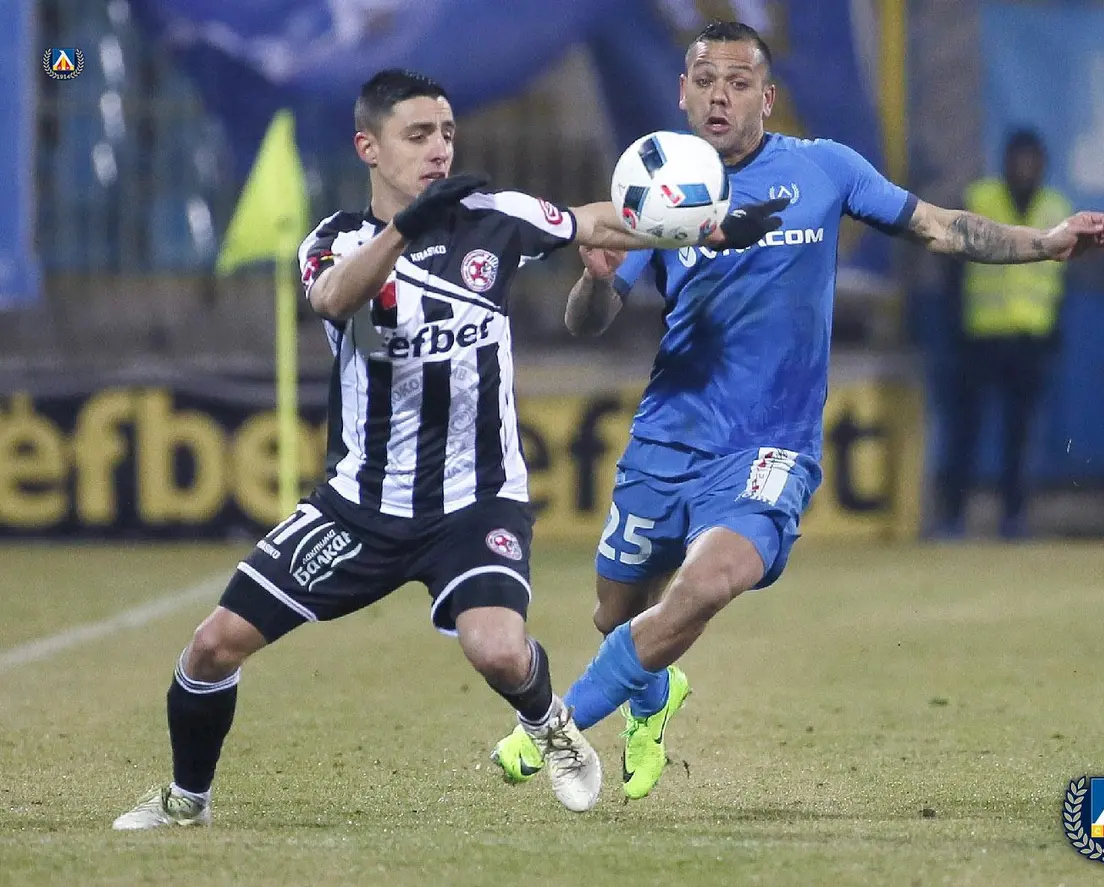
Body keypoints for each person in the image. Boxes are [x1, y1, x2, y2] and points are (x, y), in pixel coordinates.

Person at [112, 68, 784, 827]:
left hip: (475, 498)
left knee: (497, 651)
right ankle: (186, 802)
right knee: (212, 646)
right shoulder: (336, 241)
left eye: (447, 133)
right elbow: (333, 298)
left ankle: (550, 726)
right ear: (369, 147)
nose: (439, 149)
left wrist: (711, 229)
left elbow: (593, 222)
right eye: (418, 135)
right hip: (359, 504)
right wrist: (406, 229)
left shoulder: (493, 219)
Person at [491, 21, 1104, 801]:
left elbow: (939, 226)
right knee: (616, 611)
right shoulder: (660, 188)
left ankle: (553, 726)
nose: (720, 96)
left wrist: (1046, 242)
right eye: (705, 80)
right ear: (682, 92)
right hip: (668, 435)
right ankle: (653, 697)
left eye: (739, 81)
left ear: (767, 96)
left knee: (708, 582)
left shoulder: (824, 169)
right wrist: (594, 277)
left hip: (770, 445)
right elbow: (591, 320)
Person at [935, 129, 1073, 540]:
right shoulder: (980, 200)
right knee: (967, 433)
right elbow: (952, 265)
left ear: (1043, 165)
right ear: (1006, 161)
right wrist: (954, 322)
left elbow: (1062, 281)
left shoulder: (1057, 209)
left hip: (1031, 338)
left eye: (1031, 160)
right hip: (981, 336)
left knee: (1020, 436)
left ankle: (1013, 518)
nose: (1024, 168)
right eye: (1018, 159)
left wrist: (1055, 329)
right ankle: (953, 517)